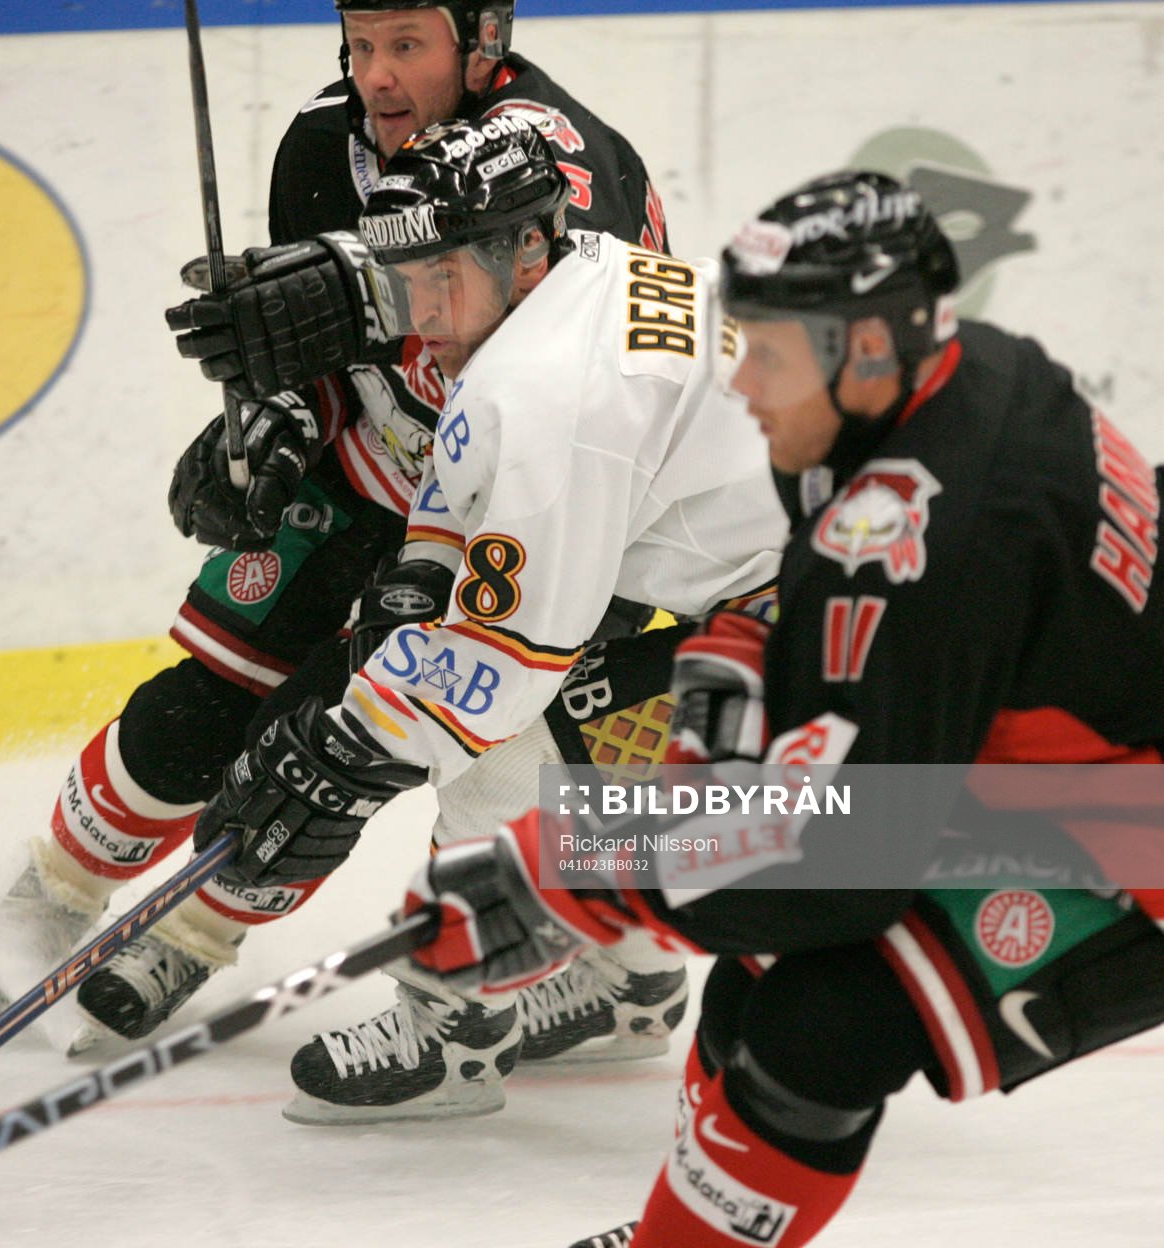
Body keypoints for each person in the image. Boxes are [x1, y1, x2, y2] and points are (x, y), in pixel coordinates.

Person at [367, 170, 1164, 1244]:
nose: (741, 383)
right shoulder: (936, 386)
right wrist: (730, 674)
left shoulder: (933, 534)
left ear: (866, 347)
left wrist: (572, 870)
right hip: (1034, 745)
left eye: (771, 352)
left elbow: (842, 869)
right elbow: (818, 623)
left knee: (825, 1022)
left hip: (1126, 832)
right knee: (750, 973)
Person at [0, 0, 680, 1074]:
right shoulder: (318, 145)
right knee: (213, 694)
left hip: (532, 500)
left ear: (481, 42)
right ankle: (43, 898)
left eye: (406, 45)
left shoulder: (550, 150)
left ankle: (214, 942)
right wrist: (279, 418)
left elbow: (554, 316)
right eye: (359, 44)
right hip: (384, 457)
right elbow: (336, 350)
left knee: (376, 734)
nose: (376, 76)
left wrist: (350, 285)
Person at [179, 115, 787, 1122]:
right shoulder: (581, 274)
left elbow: (504, 663)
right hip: (797, 596)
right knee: (562, 733)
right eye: (406, 277)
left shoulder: (548, 392)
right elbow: (471, 513)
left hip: (861, 651)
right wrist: (413, 587)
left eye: (442, 275)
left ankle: (450, 1028)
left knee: (511, 745)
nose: (420, 312)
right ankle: (625, 983)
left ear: (526, 248)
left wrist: (341, 749)